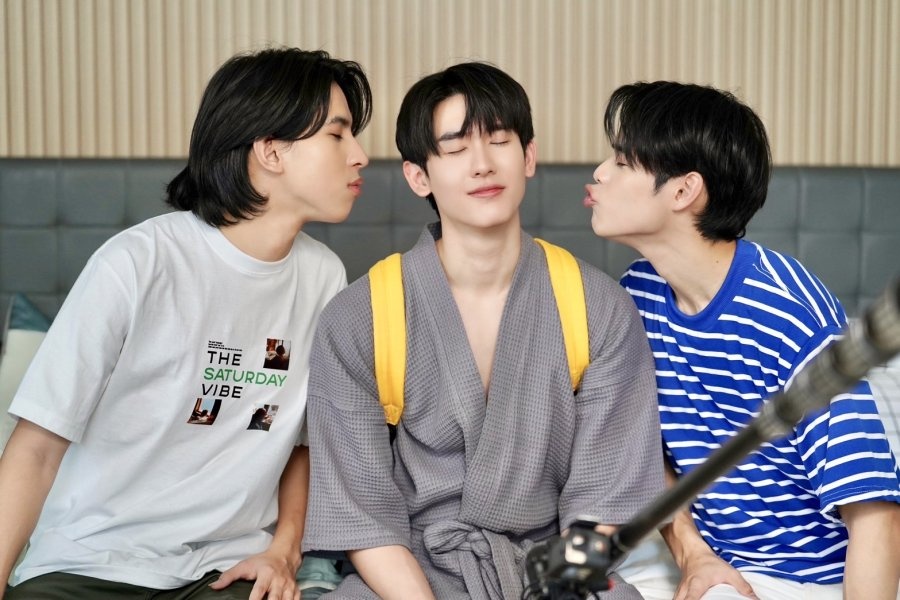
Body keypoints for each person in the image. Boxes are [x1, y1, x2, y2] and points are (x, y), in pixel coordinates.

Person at [0, 47, 371, 600]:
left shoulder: (324, 277)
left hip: (226, 571)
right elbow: (36, 448)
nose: (360, 156)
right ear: (271, 150)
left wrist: (283, 551)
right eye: (338, 135)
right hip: (90, 563)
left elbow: (302, 442)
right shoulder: (137, 263)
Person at [302, 61, 665, 599]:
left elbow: (604, 499)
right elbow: (363, 515)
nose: (482, 165)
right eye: (455, 148)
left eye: (499, 141)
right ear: (418, 176)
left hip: (554, 570)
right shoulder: (359, 316)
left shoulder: (599, 307)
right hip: (409, 574)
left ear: (529, 156)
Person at [585, 81, 900, 600]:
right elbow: (643, 451)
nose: (599, 172)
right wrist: (694, 554)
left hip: (813, 579)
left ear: (683, 191)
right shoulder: (637, 296)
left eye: (621, 161)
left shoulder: (788, 314)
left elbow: (875, 514)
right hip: (714, 566)